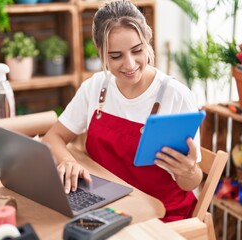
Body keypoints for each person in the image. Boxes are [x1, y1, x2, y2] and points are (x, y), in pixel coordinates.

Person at [43, 0, 203, 222]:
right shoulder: (95, 87)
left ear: (147, 40)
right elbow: (53, 137)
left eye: (137, 50)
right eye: (116, 56)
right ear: (101, 52)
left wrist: (189, 170)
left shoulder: (175, 96)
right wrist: (67, 160)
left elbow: (191, 183)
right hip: (106, 206)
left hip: (161, 215)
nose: (129, 64)